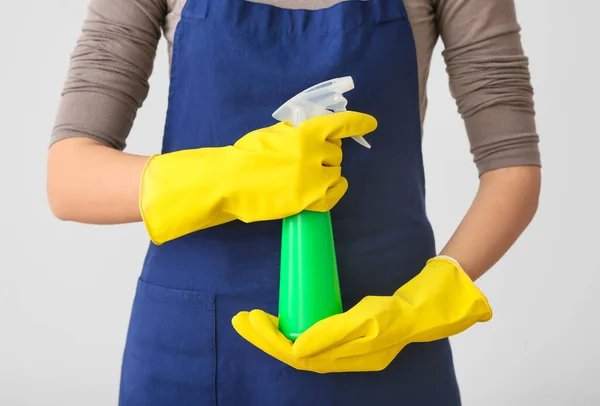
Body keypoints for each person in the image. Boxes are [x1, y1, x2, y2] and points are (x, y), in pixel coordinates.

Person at [46, 0, 541, 404]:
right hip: (196, 347)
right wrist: (234, 174)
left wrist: (426, 300)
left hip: (384, 332)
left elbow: (511, 167)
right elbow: (70, 180)